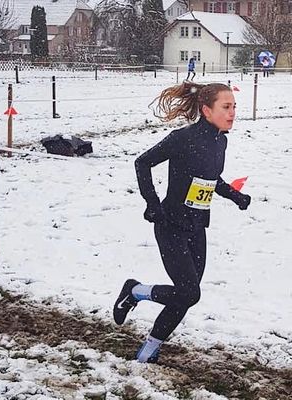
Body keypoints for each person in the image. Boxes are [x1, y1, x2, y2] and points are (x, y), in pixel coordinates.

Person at [113, 81, 251, 363]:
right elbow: (143, 163)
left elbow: (210, 180)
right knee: (189, 292)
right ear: (206, 110)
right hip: (171, 224)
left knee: (186, 296)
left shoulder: (220, 141)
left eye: (234, 107)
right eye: (226, 107)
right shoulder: (182, 138)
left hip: (197, 226)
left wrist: (235, 196)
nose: (233, 113)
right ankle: (135, 291)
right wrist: (152, 204)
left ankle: (148, 351)